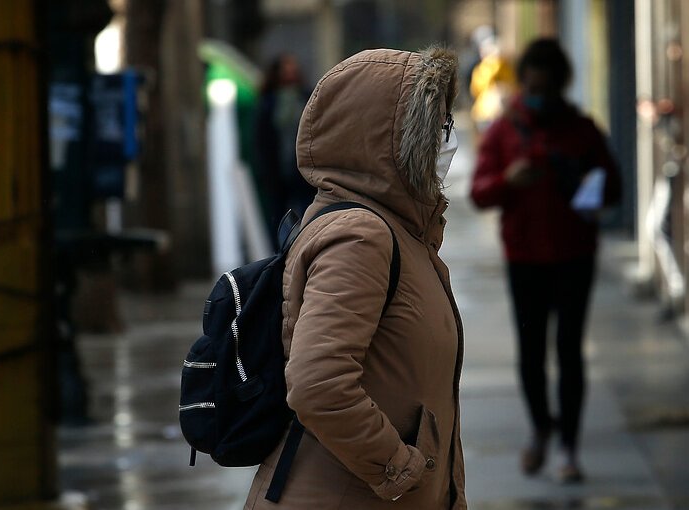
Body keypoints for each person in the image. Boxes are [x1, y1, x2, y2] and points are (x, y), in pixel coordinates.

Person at [244, 48, 466, 509]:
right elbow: (318, 384)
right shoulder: (361, 236)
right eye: (438, 128)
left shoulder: (402, 231)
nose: (450, 142)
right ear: (391, 140)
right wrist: (399, 467)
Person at [469, 38, 621, 483]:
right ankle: (540, 429)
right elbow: (479, 194)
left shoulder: (582, 130)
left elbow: (613, 190)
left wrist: (581, 180)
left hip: (575, 253)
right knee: (531, 352)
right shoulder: (504, 130)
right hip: (525, 256)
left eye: (547, 87)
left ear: (561, 85)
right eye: (532, 86)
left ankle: (568, 446)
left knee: (570, 351)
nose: (538, 95)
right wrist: (508, 179)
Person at [255, 54, 317, 243]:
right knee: (278, 214)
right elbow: (263, 138)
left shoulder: (305, 96)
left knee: (308, 210)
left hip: (301, 166)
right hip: (279, 167)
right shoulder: (269, 102)